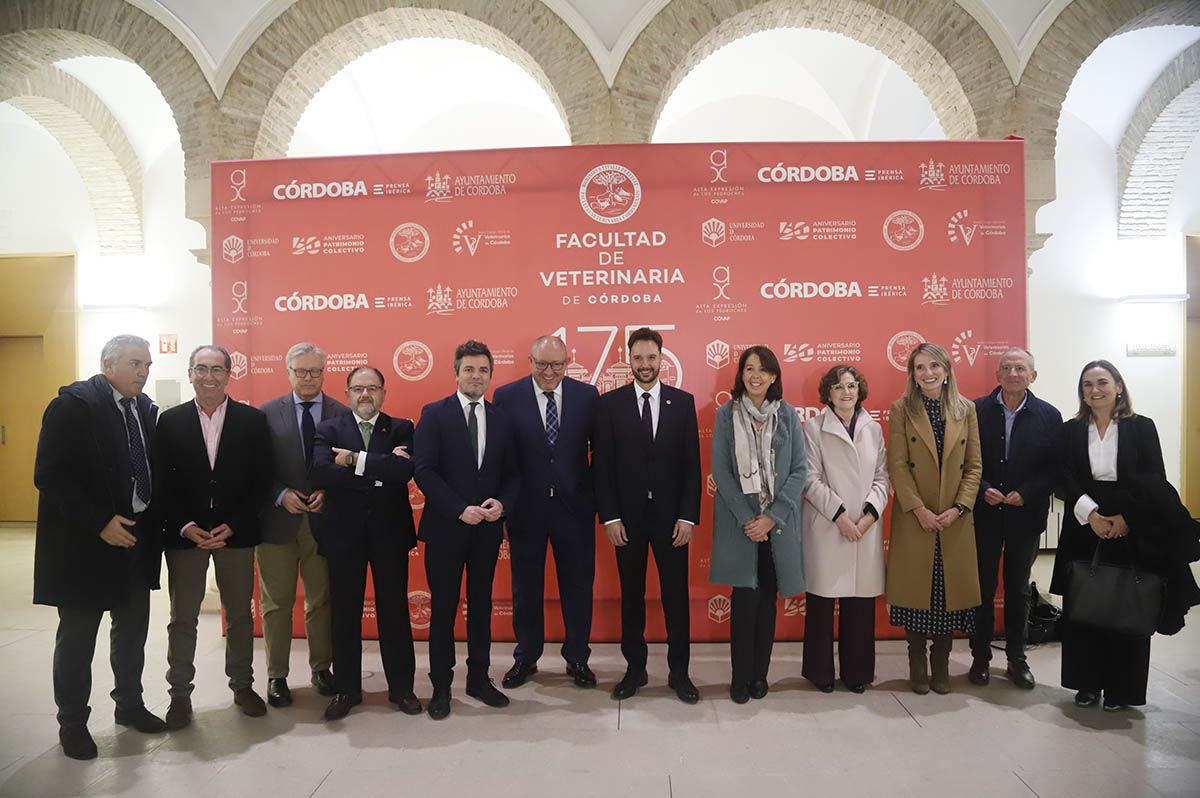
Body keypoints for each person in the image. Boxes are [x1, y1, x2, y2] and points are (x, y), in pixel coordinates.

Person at [33, 335, 167, 759]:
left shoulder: (143, 409)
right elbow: (50, 475)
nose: (144, 372)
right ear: (108, 364)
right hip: (84, 544)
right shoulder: (73, 406)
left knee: (132, 631)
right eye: (135, 363)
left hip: (135, 538)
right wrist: (99, 522)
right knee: (78, 637)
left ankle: (129, 705)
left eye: (147, 364)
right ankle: (72, 722)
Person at [1050, 359, 1200, 710]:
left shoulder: (1141, 427)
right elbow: (1063, 478)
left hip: (1131, 523)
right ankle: (1085, 684)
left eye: (1102, 382)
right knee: (1082, 607)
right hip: (1084, 522)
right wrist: (1092, 515)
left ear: (1119, 386)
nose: (1095, 390)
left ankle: (1122, 689)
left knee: (1127, 605)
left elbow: (1154, 478)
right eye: (1087, 384)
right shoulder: (1070, 430)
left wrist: (1124, 517)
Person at [156, 344, 273, 728]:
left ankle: (242, 684)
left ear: (228, 374)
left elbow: (262, 480)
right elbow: (162, 484)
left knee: (240, 614)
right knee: (182, 617)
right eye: (201, 369)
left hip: (234, 534)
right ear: (190, 373)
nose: (209, 376)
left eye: (217, 369)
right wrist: (186, 526)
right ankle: (179, 695)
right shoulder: (168, 422)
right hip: (185, 535)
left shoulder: (252, 421)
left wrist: (235, 523)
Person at [594, 328, 702, 704]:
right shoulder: (609, 405)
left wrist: (688, 517)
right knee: (632, 597)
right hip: (627, 521)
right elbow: (602, 467)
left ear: (662, 358)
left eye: (651, 358)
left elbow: (692, 466)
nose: (644, 365)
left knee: (676, 598)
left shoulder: (682, 402)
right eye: (638, 358)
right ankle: (634, 670)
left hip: (672, 521)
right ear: (629, 359)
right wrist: (610, 517)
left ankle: (680, 673)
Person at [414, 340, 520, 720]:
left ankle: (479, 679)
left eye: (484, 370)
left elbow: (513, 474)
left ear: (491, 375)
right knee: (443, 609)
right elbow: (423, 469)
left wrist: (501, 504)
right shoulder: (434, 414)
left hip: (487, 531)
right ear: (456, 372)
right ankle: (441, 687)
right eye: (470, 369)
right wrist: (460, 508)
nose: (477, 376)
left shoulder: (503, 419)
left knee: (480, 606)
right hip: (446, 528)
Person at [311, 366, 421, 720]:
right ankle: (347, 689)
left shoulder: (402, 427)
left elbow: (404, 472)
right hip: (344, 534)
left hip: (389, 533)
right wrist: (378, 472)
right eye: (358, 388)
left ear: (384, 393)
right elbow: (321, 472)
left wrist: (353, 461)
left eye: (372, 388)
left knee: (394, 612)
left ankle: (402, 688)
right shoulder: (328, 429)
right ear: (347, 393)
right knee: (344, 613)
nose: (365, 395)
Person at [493, 335, 600, 690]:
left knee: (578, 588)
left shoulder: (588, 397)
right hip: (526, 509)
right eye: (542, 364)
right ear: (529, 361)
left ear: (568, 362)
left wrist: (596, 502)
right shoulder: (506, 397)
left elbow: (600, 456)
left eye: (557, 364)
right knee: (526, 589)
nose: (549, 371)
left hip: (575, 510)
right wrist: (505, 510)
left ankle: (578, 658)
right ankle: (526, 657)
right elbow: (500, 459)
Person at [709, 346, 807, 703]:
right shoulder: (725, 415)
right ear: (741, 374)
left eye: (763, 370)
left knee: (767, 601)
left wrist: (771, 517)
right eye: (749, 369)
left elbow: (800, 471)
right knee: (745, 602)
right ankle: (740, 677)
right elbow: (720, 470)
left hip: (776, 526)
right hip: (742, 526)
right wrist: (750, 520)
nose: (756, 376)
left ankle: (759, 676)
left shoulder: (789, 415)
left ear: (774, 377)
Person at [885, 343, 982, 695]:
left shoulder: (965, 409)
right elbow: (897, 465)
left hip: (954, 518)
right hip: (917, 516)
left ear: (947, 369)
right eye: (920, 367)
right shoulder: (901, 409)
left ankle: (941, 663)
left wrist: (959, 507)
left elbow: (974, 466)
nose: (927, 373)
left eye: (934, 366)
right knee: (916, 594)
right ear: (912, 373)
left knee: (946, 595)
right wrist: (919, 509)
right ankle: (916, 663)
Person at [258, 342, 347, 707]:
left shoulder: (342, 413)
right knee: (276, 603)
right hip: (278, 523)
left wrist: (329, 490)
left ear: (325, 373)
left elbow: (348, 467)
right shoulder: (265, 414)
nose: (309, 377)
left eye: (315, 371)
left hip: (325, 524)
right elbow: (255, 470)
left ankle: (320, 668)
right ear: (288, 371)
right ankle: (276, 675)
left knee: (321, 600)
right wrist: (280, 494)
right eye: (301, 371)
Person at [968, 348, 1062, 690]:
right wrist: (983, 488)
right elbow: (963, 459)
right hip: (986, 512)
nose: (1012, 373)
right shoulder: (975, 410)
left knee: (1019, 589)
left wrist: (1029, 492)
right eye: (1006, 367)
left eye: (1020, 368)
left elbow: (1054, 467)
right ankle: (980, 657)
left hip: (1026, 515)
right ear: (997, 375)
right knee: (983, 588)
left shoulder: (1049, 416)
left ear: (1032, 376)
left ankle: (1017, 658)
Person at [801, 365, 888, 694]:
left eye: (851, 386)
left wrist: (867, 518)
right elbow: (810, 479)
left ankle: (857, 673)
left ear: (860, 390)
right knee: (822, 606)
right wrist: (840, 516)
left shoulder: (874, 429)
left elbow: (882, 477)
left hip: (864, 527)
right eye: (838, 387)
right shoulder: (813, 428)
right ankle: (820, 672)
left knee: (860, 606)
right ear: (828, 393)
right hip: (828, 525)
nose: (846, 392)